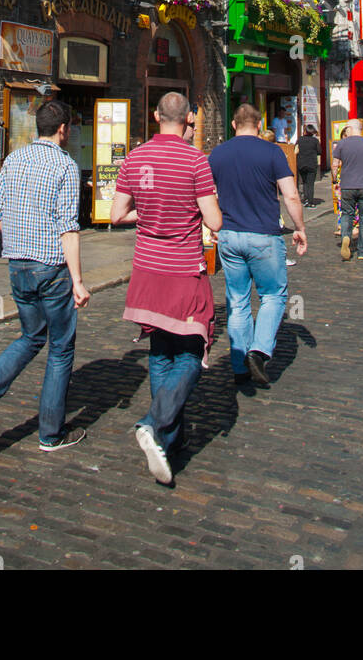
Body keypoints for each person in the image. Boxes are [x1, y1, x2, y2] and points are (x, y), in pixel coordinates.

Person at [0, 100, 90, 457]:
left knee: (30, 336)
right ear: (63, 129)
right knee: (61, 349)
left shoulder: (14, 159)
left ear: (39, 127)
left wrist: (17, 241)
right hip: (51, 269)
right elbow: (68, 228)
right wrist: (77, 280)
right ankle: (50, 434)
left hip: (18, 265)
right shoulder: (65, 165)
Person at [111, 92, 222, 486]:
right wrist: (190, 206)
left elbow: (117, 214)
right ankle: (155, 424)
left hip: (146, 271)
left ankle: (168, 441)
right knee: (192, 349)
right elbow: (215, 220)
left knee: (160, 353)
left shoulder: (136, 157)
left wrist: (151, 209)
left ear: (156, 115)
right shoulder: (196, 160)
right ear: (189, 118)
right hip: (182, 271)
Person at [208, 103, 307, 388]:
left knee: (237, 301)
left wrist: (212, 226)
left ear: (234, 125)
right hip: (264, 235)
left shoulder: (219, 153)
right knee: (273, 295)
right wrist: (299, 228)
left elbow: (207, 193)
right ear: (260, 123)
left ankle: (239, 366)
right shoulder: (272, 152)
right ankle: (259, 350)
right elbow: (290, 196)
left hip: (229, 235)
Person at [331, 118, 363, 261]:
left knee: (347, 214)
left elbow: (335, 165)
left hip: (347, 185)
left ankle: (346, 236)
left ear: (351, 129)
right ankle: (362, 251)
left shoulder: (341, 144)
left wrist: (335, 180)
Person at [295, 124, 321, 208]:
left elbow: (295, 150)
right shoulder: (315, 141)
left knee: (304, 182)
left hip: (301, 164)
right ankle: (310, 201)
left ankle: (305, 199)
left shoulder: (300, 139)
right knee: (310, 183)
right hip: (311, 164)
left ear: (305, 131)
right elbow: (319, 151)